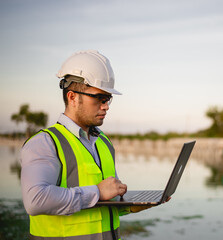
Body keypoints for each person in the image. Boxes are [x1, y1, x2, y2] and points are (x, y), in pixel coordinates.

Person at [21, 50, 150, 240]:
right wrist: (97, 191)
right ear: (72, 97)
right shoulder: (45, 143)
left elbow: (100, 207)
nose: (106, 106)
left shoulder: (104, 143)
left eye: (108, 99)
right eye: (100, 98)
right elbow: (36, 200)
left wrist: (128, 205)